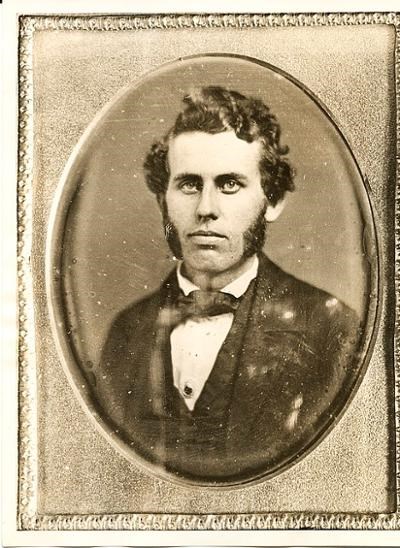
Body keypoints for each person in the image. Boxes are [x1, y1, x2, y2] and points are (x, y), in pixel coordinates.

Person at [93, 86, 362, 483]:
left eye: (230, 184)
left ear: (272, 201)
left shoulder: (330, 329)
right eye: (188, 184)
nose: (206, 209)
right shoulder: (125, 332)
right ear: (161, 200)